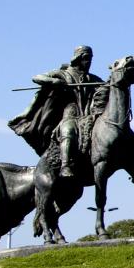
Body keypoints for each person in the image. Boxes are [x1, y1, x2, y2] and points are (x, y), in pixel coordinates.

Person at [8, 45, 103, 178]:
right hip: (71, 112)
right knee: (68, 129)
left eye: (90, 59)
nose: (89, 62)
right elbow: (37, 77)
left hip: (88, 115)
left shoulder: (92, 79)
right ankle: (66, 165)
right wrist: (53, 81)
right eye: (86, 58)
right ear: (78, 58)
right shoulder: (63, 74)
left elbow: (109, 86)